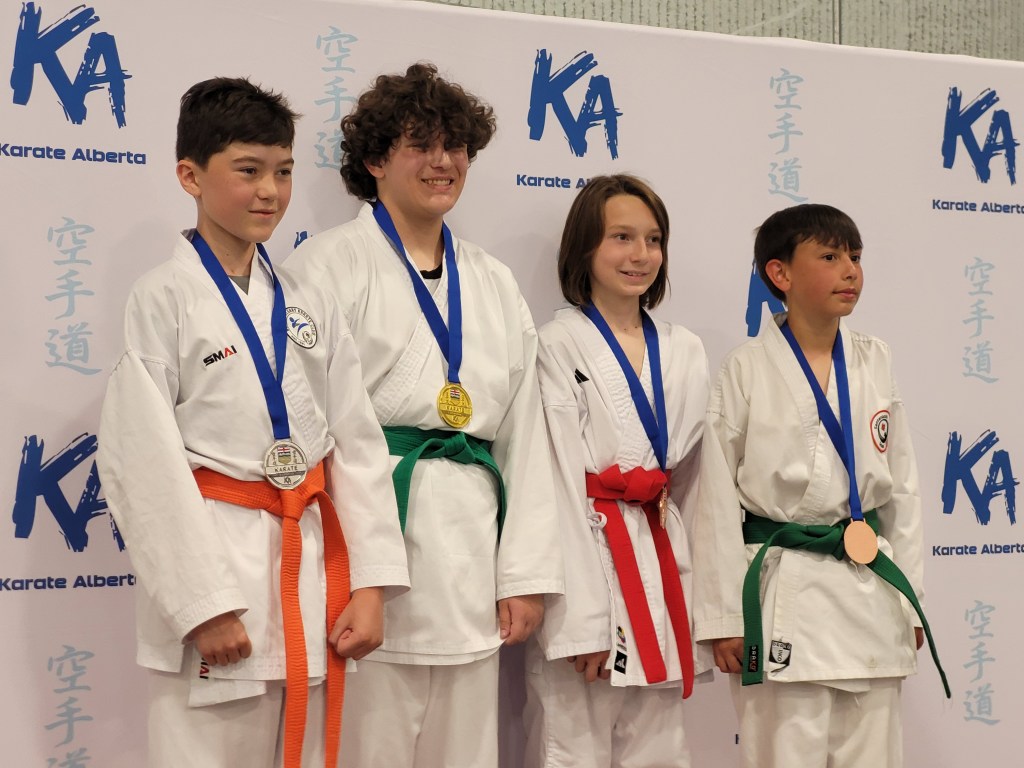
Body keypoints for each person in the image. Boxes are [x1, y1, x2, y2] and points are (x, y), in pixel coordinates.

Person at [97, 77, 409, 768]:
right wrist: (201, 604)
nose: (270, 191)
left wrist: (371, 584)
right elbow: (141, 461)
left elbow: (356, 443)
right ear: (190, 176)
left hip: (311, 575)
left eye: (284, 171)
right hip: (220, 575)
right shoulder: (162, 297)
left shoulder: (308, 298)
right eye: (248, 171)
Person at [286, 62, 564, 768]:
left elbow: (527, 438)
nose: (443, 161)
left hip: (469, 559)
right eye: (420, 144)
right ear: (375, 161)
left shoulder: (493, 281)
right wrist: (351, 572)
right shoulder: (327, 267)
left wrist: (522, 576)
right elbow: (308, 426)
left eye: (456, 146)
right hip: (366, 560)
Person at [693, 203, 947, 768]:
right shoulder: (745, 367)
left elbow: (902, 493)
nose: (850, 270)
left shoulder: (874, 359)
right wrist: (724, 618)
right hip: (784, 592)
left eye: (855, 256)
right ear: (780, 273)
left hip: (869, 591)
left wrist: (910, 602)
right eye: (830, 257)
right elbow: (714, 499)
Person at [523, 175, 710, 768]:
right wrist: (581, 625)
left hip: (660, 561)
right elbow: (552, 484)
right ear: (585, 248)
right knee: (571, 749)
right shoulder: (556, 344)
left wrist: (710, 607)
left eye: (653, 240)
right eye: (621, 237)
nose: (641, 255)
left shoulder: (685, 349)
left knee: (662, 749)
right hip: (589, 561)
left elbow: (697, 487)